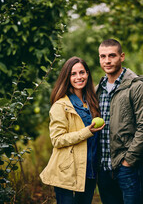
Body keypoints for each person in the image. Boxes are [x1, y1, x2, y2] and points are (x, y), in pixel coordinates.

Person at [96, 39, 143, 204]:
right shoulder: (97, 89)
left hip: (128, 166)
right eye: (103, 56)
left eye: (112, 56)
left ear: (122, 57)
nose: (107, 61)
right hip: (103, 167)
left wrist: (128, 161)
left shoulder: (137, 87)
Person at [40, 56, 105, 204]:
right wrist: (86, 131)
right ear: (67, 77)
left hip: (89, 168)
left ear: (87, 74)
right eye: (73, 74)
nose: (78, 77)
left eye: (82, 72)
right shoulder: (61, 105)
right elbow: (57, 140)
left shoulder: (92, 102)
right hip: (67, 171)